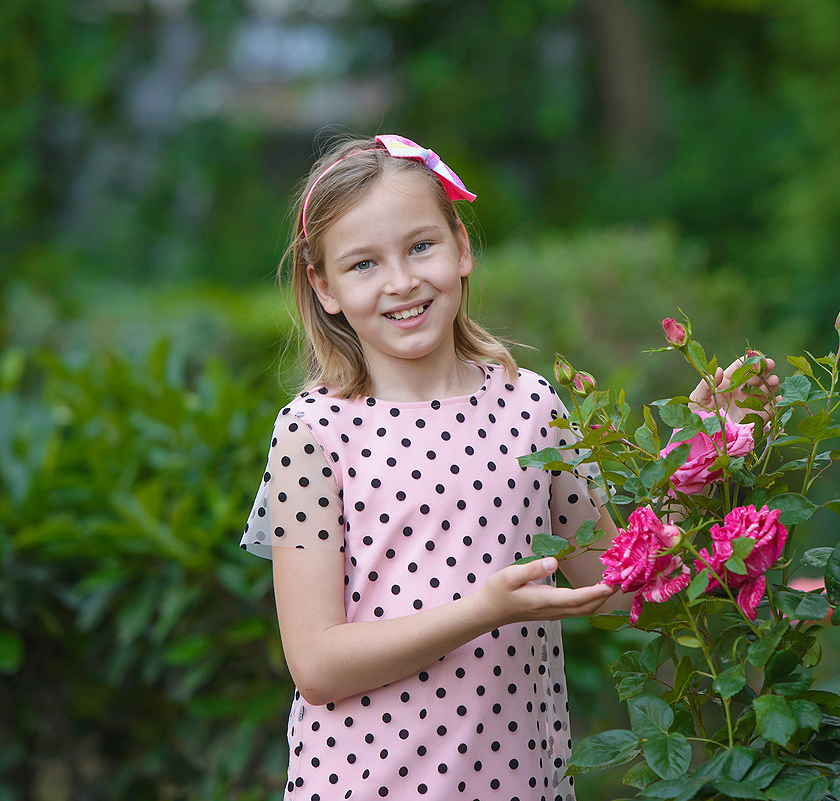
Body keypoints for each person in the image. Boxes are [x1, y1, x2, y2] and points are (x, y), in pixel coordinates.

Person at [240, 134, 776, 801]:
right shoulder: (310, 435)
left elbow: (611, 583)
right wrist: (481, 611)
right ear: (323, 286)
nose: (402, 281)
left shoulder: (531, 405)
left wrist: (704, 446)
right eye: (363, 264)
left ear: (460, 246)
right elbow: (317, 664)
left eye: (421, 246)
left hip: (519, 781)